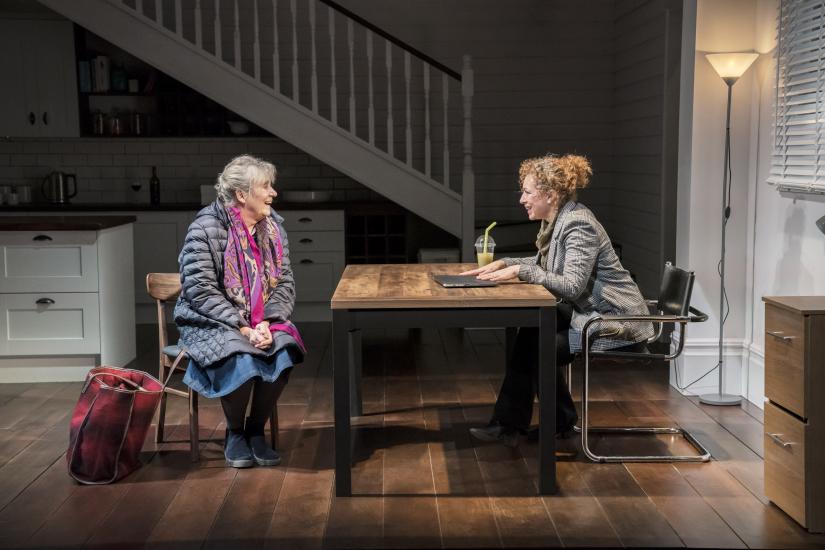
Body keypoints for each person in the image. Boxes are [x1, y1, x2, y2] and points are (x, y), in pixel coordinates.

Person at [462, 153, 654, 447]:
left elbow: (572, 286)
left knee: (542, 345)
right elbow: (545, 264)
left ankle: (541, 423)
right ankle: (521, 424)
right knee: (531, 332)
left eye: (527, 192)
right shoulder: (558, 221)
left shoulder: (578, 225)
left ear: (550, 195)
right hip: (588, 315)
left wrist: (522, 271)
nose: (522, 200)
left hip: (614, 323)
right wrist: (505, 263)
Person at [174, 154, 305, 468]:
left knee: (284, 347)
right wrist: (243, 326)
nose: (273, 193)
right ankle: (235, 433)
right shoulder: (205, 228)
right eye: (266, 186)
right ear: (242, 195)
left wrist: (269, 321)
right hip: (209, 319)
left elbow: (284, 280)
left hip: (260, 318)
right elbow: (201, 291)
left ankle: (255, 430)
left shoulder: (273, 229)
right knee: (240, 353)